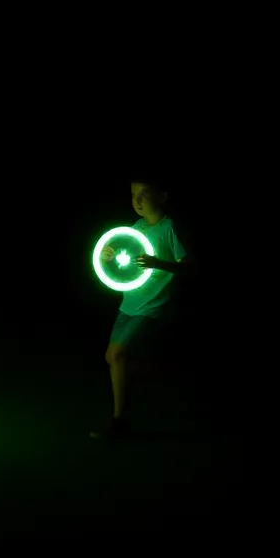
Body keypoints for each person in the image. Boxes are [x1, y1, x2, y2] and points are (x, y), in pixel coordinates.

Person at [91, 175, 194, 439]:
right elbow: (129, 261)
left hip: (153, 307)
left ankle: (118, 420)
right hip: (129, 305)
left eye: (144, 193)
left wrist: (158, 263)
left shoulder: (169, 227)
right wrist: (109, 256)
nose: (137, 200)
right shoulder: (137, 227)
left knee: (116, 354)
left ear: (162, 196)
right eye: (133, 194)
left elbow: (188, 266)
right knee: (113, 357)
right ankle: (125, 414)